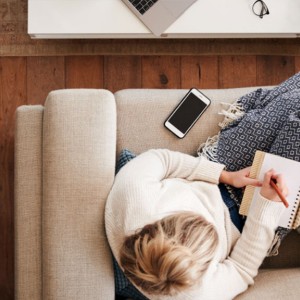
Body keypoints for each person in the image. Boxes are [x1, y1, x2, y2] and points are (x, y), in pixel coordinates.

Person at [105, 149, 288, 300]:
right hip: (245, 225)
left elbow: (162, 159)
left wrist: (225, 176)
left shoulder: (133, 194)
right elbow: (241, 269)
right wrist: (267, 204)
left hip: (214, 178)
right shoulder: (199, 294)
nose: (209, 219)